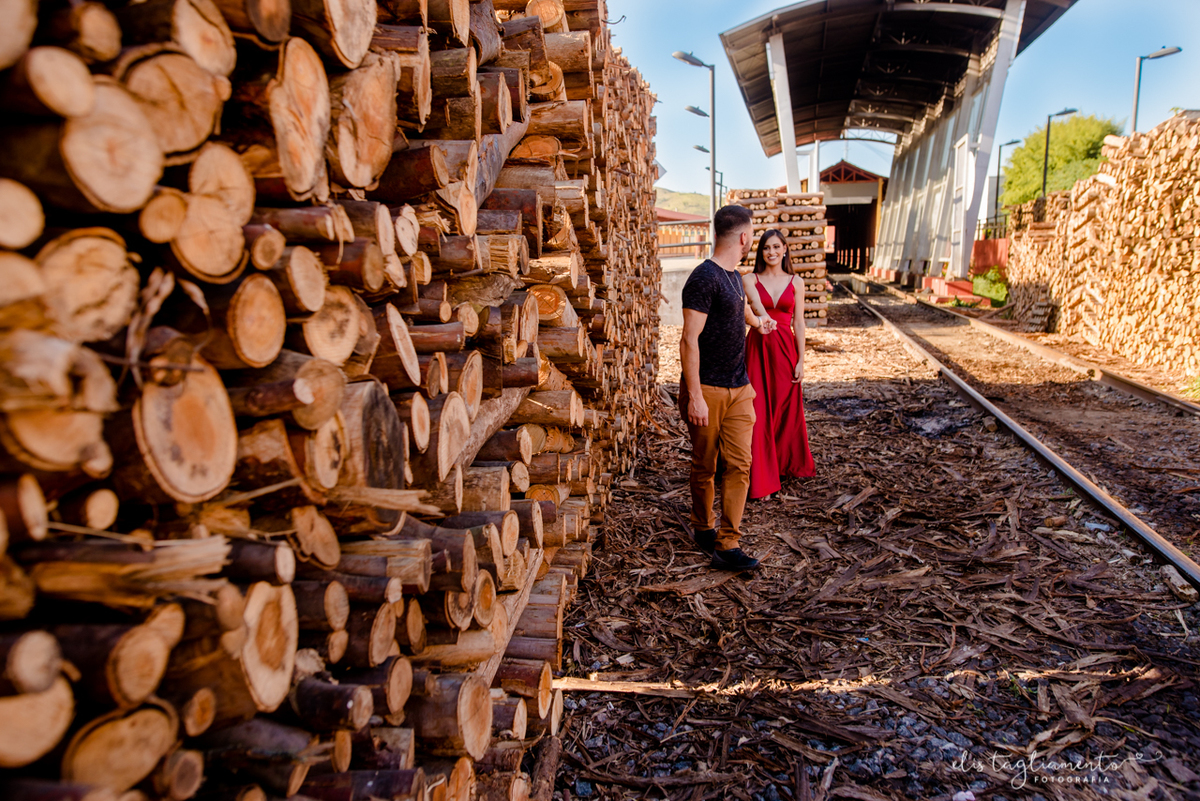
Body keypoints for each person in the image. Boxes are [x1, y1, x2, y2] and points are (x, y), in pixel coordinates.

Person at [678, 204, 774, 571]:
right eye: (753, 235)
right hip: (709, 390)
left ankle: (728, 543)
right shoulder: (704, 278)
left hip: (740, 389)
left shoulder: (734, 277)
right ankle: (703, 526)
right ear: (745, 237)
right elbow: (689, 340)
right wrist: (696, 397)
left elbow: (740, 311)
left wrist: (759, 321)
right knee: (705, 465)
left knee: (740, 466)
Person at [742, 229, 815, 500]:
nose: (771, 252)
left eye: (776, 247)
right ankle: (761, 478)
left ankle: (783, 465)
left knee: (785, 410)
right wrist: (763, 319)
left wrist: (802, 361)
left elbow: (799, 322)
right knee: (758, 411)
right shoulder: (749, 279)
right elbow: (757, 308)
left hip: (785, 350)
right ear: (760, 252)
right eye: (765, 248)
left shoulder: (796, 282)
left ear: (785, 249)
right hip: (759, 348)